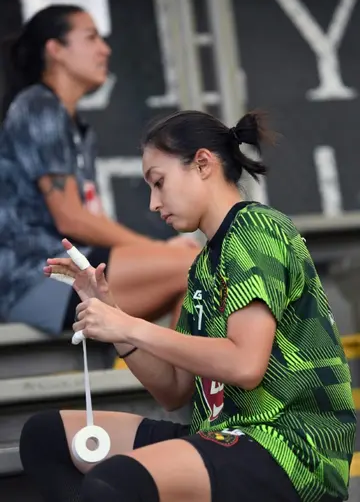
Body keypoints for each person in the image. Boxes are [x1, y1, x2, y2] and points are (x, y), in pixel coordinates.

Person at [19, 109, 356, 502]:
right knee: (45, 437)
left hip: (288, 446)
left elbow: (245, 365)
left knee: (118, 482)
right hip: (223, 434)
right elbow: (174, 390)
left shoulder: (258, 229)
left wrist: (129, 327)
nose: (152, 202)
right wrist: (112, 313)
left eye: (158, 183)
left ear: (202, 164)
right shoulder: (201, 267)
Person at [0, 4, 199, 335]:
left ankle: (181, 386)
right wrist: (156, 250)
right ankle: (181, 386)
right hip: (32, 278)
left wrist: (154, 252)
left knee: (199, 279)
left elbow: (90, 214)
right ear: (56, 50)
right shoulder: (38, 107)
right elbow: (71, 218)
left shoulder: (77, 126)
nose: (104, 49)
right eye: (91, 38)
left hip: (73, 267)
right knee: (196, 269)